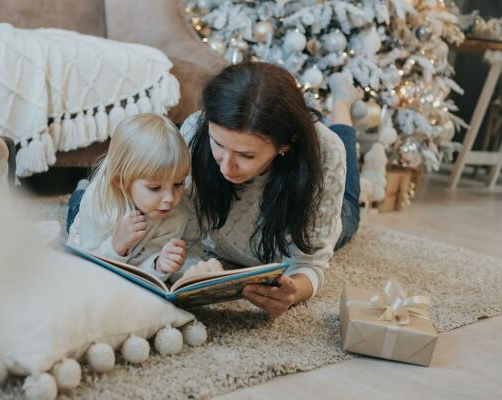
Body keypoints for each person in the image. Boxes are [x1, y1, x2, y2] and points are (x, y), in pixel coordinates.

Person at [176, 62, 360, 317]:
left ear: (284, 145)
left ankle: (341, 104)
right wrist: (192, 268)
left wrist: (294, 290)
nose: (226, 167)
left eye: (246, 155)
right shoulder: (194, 130)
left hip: (325, 201)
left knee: (350, 202)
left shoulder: (325, 152)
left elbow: (310, 264)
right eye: (217, 144)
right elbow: (180, 235)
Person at [66, 113, 190, 281]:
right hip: (85, 229)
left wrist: (158, 264)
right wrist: (117, 245)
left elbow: (141, 271)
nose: (170, 198)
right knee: (76, 206)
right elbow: (88, 266)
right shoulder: (97, 201)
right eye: (155, 188)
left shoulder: (175, 214)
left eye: (178, 184)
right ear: (121, 181)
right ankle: (80, 189)